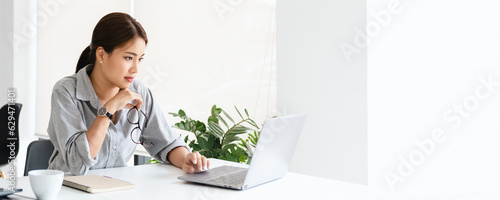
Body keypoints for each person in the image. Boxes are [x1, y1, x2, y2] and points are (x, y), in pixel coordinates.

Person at [47, 12, 209, 175]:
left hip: (117, 190)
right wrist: (109, 109)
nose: (136, 69)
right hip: (67, 191)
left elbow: (166, 143)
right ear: (101, 54)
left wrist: (186, 159)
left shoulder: (139, 92)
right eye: (128, 58)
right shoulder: (66, 92)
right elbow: (77, 163)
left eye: (140, 59)